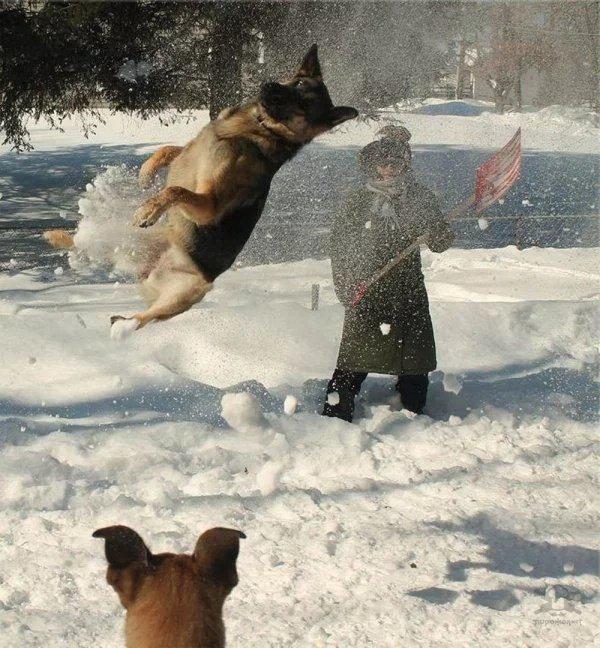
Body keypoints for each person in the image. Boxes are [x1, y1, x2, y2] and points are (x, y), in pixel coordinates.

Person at [323, 125, 454, 422]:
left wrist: (437, 233)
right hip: (368, 288)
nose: (390, 169)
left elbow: (440, 240)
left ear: (404, 164)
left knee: (413, 360)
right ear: (373, 167)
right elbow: (340, 246)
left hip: (407, 289)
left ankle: (414, 414)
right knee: (355, 357)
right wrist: (346, 285)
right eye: (384, 164)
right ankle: (335, 414)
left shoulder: (419, 198)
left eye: (395, 163)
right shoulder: (357, 202)